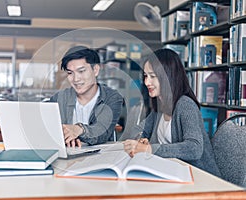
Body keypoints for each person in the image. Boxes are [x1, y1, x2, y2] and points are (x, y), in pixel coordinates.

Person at [123, 48, 221, 177]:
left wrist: (150, 149)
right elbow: (138, 130)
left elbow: (194, 148)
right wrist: (141, 140)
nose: (147, 82)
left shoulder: (185, 105)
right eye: (146, 76)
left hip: (199, 176)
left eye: (152, 76)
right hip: (174, 172)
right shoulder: (160, 106)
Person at [50, 45, 123, 147]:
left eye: (81, 71)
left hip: (101, 158)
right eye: (70, 73)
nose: (76, 79)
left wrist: (79, 130)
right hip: (67, 157)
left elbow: (102, 131)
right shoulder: (59, 98)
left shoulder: (112, 98)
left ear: (96, 70)